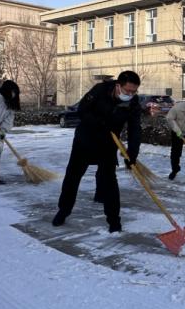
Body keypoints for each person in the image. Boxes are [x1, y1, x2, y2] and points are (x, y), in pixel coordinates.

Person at [52, 70, 142, 233]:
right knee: (73, 176)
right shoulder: (100, 90)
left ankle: (114, 221)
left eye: (133, 91)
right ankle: (63, 211)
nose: (130, 94)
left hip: (108, 144)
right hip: (85, 140)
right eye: (127, 90)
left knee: (109, 182)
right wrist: (99, 123)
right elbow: (82, 110)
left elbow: (135, 129)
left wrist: (132, 154)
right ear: (118, 85)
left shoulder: (133, 103)